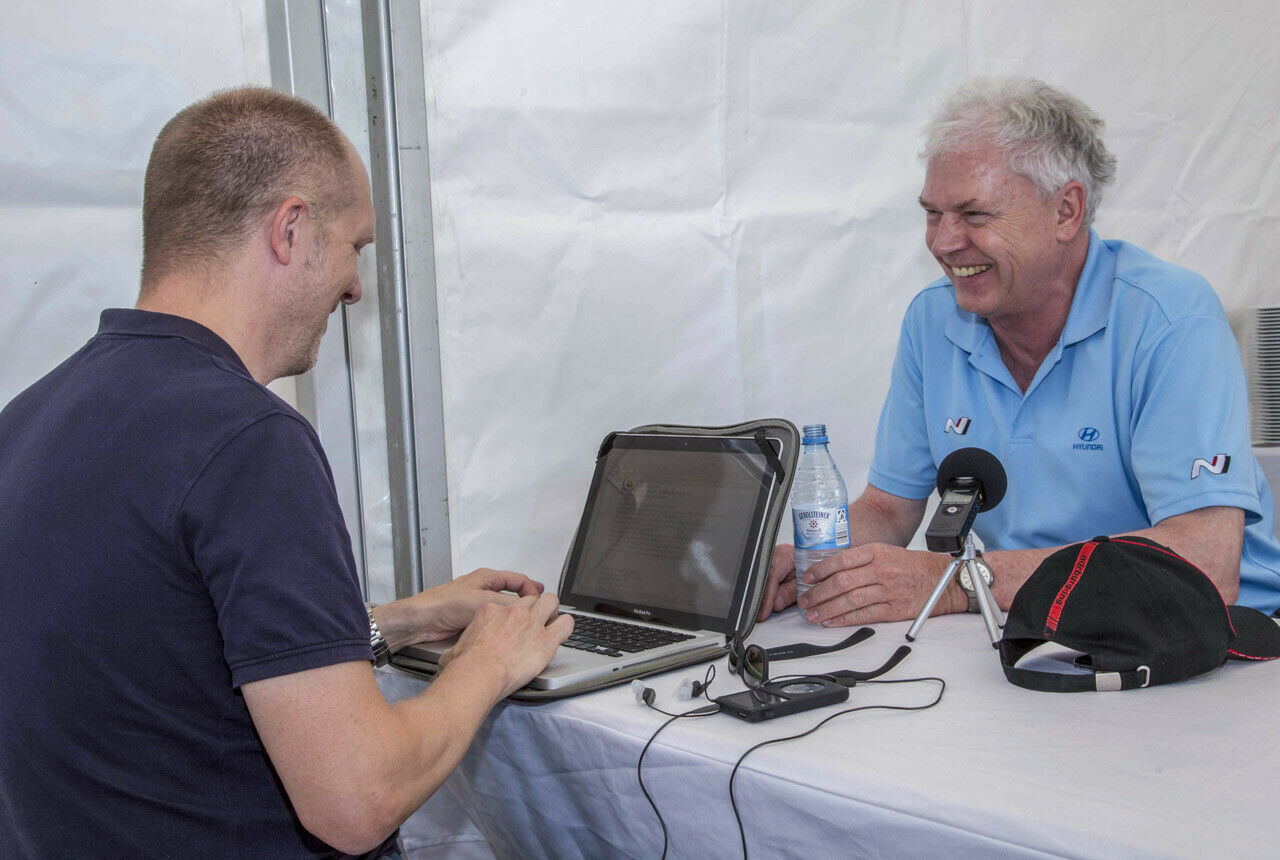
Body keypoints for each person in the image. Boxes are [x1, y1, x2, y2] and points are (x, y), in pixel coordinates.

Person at [0, 87, 573, 858]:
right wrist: (484, 664)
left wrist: (383, 625)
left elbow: (162, 662)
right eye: (354, 247)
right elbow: (355, 797)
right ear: (292, 228)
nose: (355, 286)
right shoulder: (247, 439)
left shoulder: (30, 419)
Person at [759, 76, 1280, 627]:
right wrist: (811, 564)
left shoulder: (1171, 318)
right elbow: (889, 509)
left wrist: (965, 579)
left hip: (1206, 645)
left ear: (1066, 211)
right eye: (932, 213)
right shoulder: (932, 319)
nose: (942, 242)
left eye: (974, 215)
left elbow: (1205, 561)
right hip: (1023, 624)